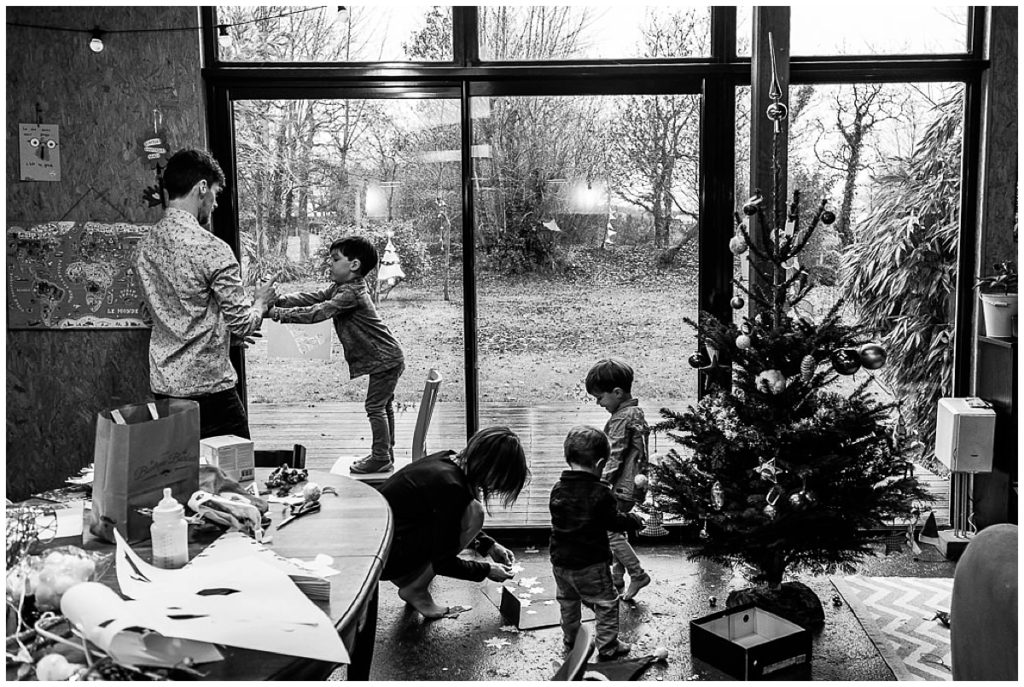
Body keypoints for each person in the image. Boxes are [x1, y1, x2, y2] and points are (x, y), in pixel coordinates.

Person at [134, 149, 277, 439]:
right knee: (234, 479)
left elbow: (152, 314)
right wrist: (261, 302)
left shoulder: (143, 247)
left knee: (181, 477)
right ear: (201, 188)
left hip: (165, 393)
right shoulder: (212, 248)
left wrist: (220, 333)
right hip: (211, 395)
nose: (214, 203)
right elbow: (243, 322)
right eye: (215, 192)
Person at [268, 236, 405, 473]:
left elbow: (318, 312)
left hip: (385, 358)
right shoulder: (339, 288)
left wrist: (276, 313)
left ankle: (381, 457)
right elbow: (312, 298)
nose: (329, 264)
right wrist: (279, 301)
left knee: (375, 407)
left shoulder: (350, 294)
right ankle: (385, 453)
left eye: (335, 259)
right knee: (382, 406)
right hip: (386, 358)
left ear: (354, 265)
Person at [378, 426, 529, 619]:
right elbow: (444, 562)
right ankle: (416, 589)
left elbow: (446, 522)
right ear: (491, 470)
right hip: (386, 558)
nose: (495, 488)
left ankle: (410, 581)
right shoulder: (453, 489)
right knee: (475, 514)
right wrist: (487, 570)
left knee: (470, 512)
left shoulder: (447, 460)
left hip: (383, 546)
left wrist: (489, 546)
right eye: (500, 481)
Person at [550, 425, 644, 661]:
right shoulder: (601, 493)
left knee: (568, 601)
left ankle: (571, 638)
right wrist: (634, 520)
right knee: (606, 602)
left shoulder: (557, 489)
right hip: (591, 563)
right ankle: (608, 645)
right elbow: (613, 522)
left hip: (560, 562)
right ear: (601, 464)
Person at [585, 358, 652, 601]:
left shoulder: (621, 418)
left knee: (609, 533)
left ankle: (638, 574)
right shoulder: (634, 411)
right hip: (632, 484)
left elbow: (613, 454)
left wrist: (598, 484)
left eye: (600, 397)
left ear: (617, 392)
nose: (598, 402)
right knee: (617, 529)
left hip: (620, 487)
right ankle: (617, 577)